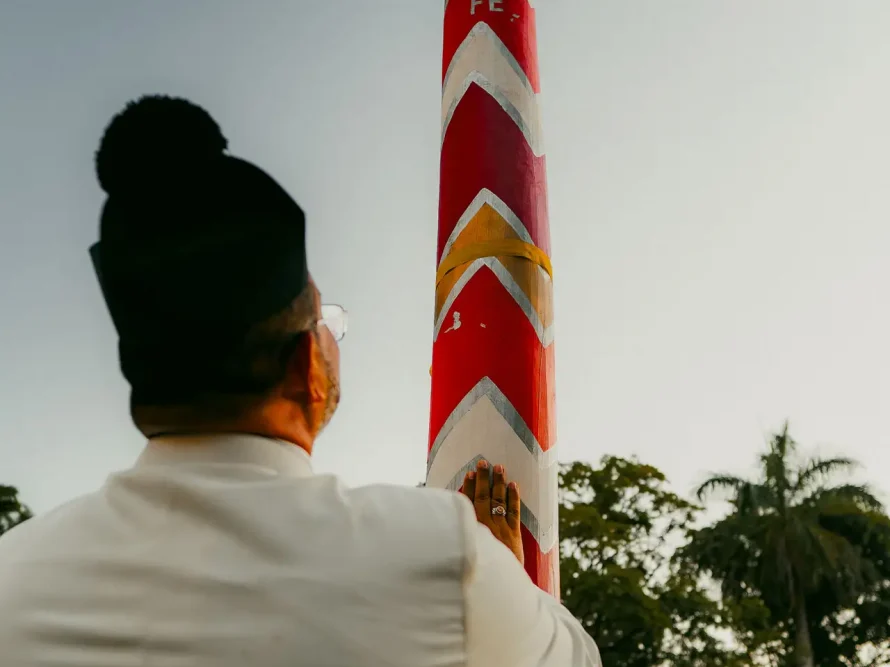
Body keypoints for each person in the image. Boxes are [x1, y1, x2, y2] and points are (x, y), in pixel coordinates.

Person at [0, 96, 601, 667]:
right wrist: (505, 576)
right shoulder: (440, 554)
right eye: (325, 321)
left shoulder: (14, 575)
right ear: (306, 366)